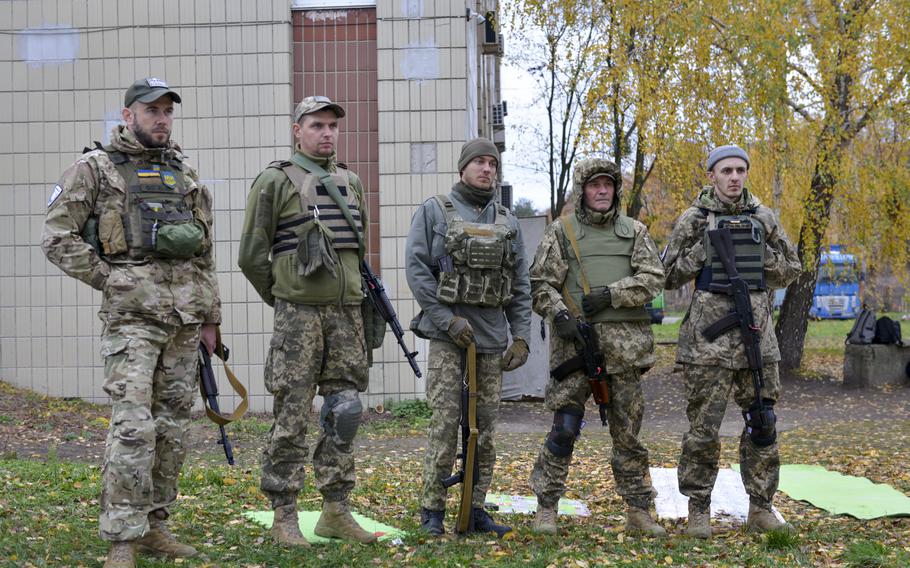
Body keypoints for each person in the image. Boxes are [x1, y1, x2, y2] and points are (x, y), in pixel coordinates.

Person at [41, 78, 221, 568]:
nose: (162, 119)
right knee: (133, 428)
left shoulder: (183, 172)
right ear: (128, 116)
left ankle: (154, 528)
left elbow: (203, 250)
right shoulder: (93, 169)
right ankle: (121, 539)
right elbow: (57, 237)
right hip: (133, 324)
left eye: (167, 111)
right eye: (151, 111)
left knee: (172, 429)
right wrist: (112, 280)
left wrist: (212, 318)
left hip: (184, 321)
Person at [238, 96, 376, 546]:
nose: (327, 133)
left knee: (345, 413)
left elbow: (359, 252)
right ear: (297, 130)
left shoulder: (351, 182)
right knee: (292, 417)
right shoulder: (274, 181)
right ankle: (284, 515)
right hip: (298, 319)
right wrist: (286, 297)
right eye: (317, 125)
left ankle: (335, 510)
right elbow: (252, 256)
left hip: (347, 317)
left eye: (333, 125)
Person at [662, 144, 801, 538]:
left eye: (741, 170)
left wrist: (756, 258)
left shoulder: (763, 217)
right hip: (708, 346)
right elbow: (666, 275)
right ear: (712, 175)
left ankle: (760, 507)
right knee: (703, 430)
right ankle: (699, 510)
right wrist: (705, 250)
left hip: (757, 341)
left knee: (763, 425)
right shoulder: (694, 219)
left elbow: (791, 268)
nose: (734, 177)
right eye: (726, 170)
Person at [527, 158, 667, 537]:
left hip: (625, 353)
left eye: (608, 184)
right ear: (582, 191)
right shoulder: (561, 232)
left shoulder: (634, 231)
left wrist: (611, 295)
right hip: (574, 351)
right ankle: (546, 507)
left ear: (616, 190)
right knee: (564, 430)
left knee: (628, 436)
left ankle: (639, 512)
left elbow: (654, 278)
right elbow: (540, 284)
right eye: (594, 185)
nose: (602, 191)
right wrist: (559, 316)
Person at [405, 138, 532, 536]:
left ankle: (474, 509)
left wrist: (522, 337)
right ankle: (433, 511)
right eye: (479, 162)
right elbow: (418, 271)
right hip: (449, 338)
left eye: (492, 163)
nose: (487, 169)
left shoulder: (508, 222)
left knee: (485, 429)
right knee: (445, 423)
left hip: (491, 340)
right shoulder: (434, 211)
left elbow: (519, 283)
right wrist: (447, 319)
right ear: (463, 168)